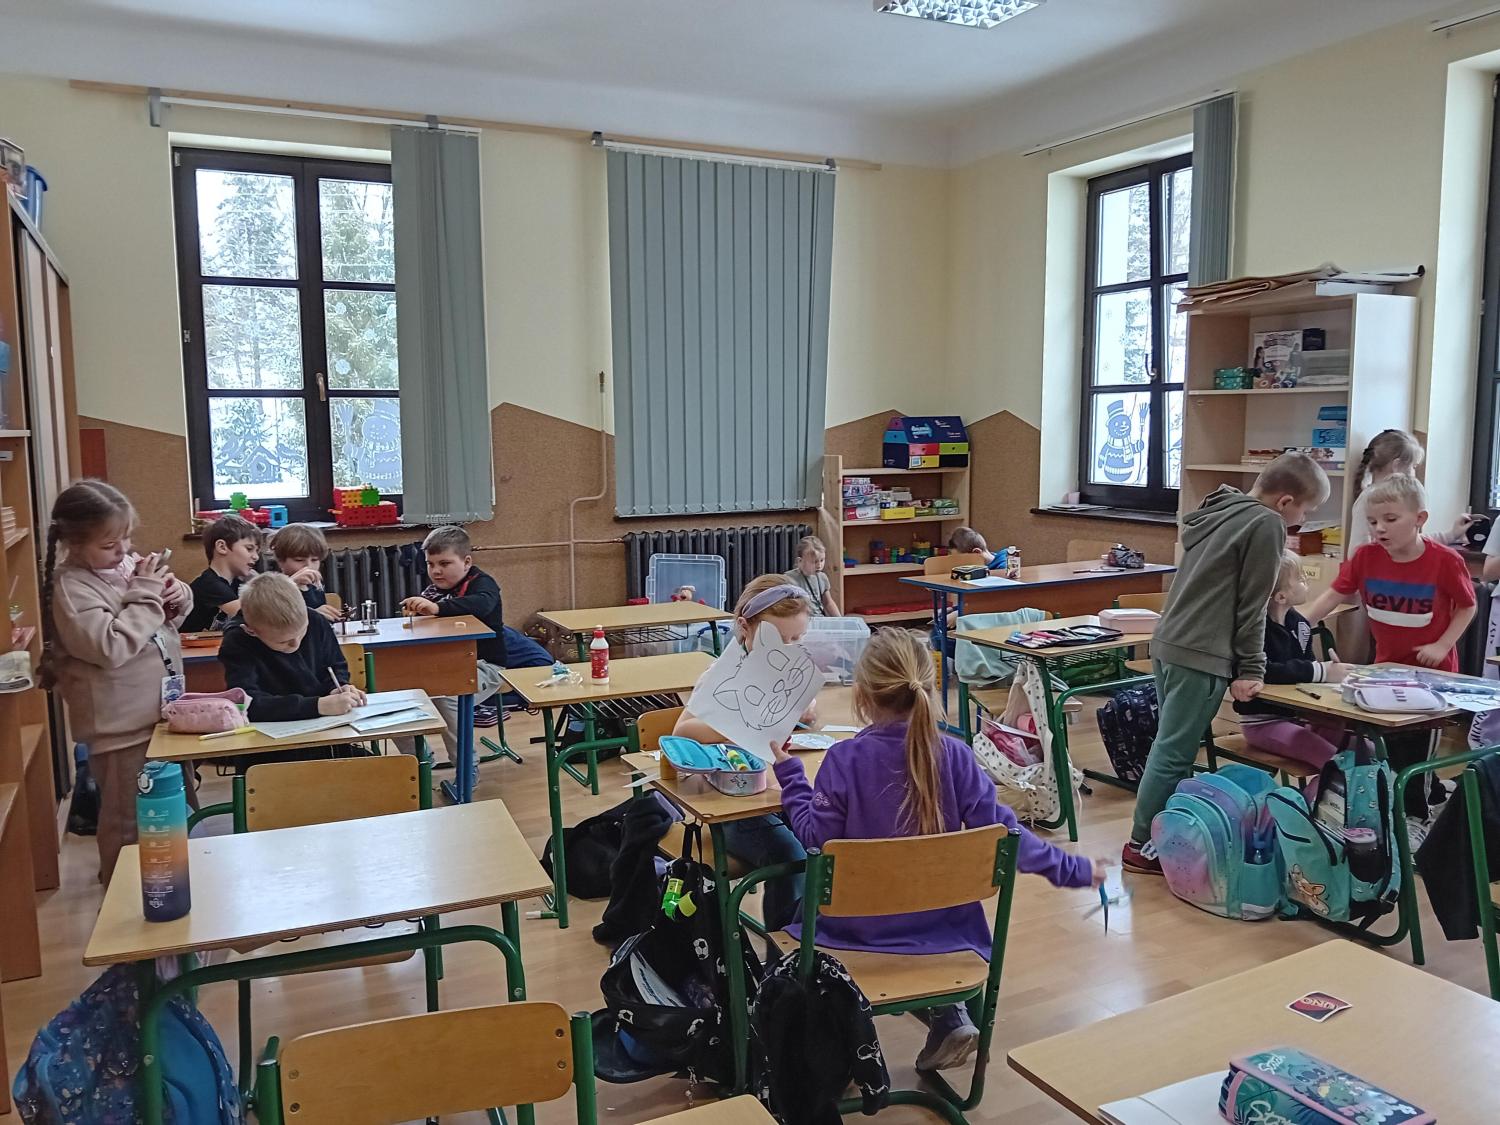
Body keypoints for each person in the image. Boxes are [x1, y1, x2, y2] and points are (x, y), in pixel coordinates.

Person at [773, 628, 1104, 1072]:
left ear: (862, 696)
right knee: (915, 898)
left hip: (853, 933)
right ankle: (949, 1014)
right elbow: (1009, 839)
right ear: (928, 689)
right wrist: (1073, 869)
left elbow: (815, 840)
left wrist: (792, 779)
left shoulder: (843, 760)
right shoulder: (957, 756)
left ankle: (838, 1038)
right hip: (944, 931)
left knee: (785, 907)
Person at [1122, 451, 1330, 875]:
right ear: (1285, 501)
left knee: (1171, 747)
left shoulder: (1221, 508)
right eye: (1305, 511)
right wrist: (1252, 668)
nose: (1302, 521)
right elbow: (1252, 604)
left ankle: (1165, 835)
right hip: (1201, 651)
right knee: (1174, 753)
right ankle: (1143, 844)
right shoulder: (1266, 523)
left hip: (1170, 642)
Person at [41, 480, 192, 882]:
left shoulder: (121, 567)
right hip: (120, 729)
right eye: (109, 544)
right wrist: (147, 593)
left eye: (126, 538)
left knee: (168, 814)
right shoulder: (72, 587)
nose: (123, 550)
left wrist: (177, 595)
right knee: (130, 823)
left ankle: (165, 887)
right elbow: (111, 646)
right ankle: (120, 898)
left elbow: (158, 618)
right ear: (74, 543)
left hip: (160, 715)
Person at [1304, 475, 1477, 825]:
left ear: (1419, 519)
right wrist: (1299, 622)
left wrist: (1442, 644)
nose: (1379, 528)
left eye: (1390, 519)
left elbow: (1467, 606)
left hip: (1433, 677)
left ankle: (1417, 819)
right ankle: (1426, 797)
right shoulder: (1365, 557)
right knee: (1386, 747)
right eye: (1372, 521)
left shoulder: (1445, 561)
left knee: (1416, 751)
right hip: (1385, 670)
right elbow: (1335, 594)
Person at [674, 574, 818, 929]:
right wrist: (746, 727)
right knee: (791, 857)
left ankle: (811, 935)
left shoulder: (785, 673)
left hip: (776, 793)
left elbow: (808, 714)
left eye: (797, 639)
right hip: (733, 805)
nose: (789, 648)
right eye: (780, 639)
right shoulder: (721, 676)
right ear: (745, 628)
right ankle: (785, 949)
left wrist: (804, 712)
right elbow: (682, 732)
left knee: (824, 841)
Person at [396, 526, 508, 782]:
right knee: (394, 692)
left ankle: (467, 769)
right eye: (430, 564)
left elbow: (481, 604)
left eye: (445, 563)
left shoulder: (483, 584)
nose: (436, 571)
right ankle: (420, 759)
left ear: (467, 562)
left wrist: (437, 608)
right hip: (444, 666)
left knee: (448, 696)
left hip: (486, 667)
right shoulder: (434, 591)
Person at [1234, 551, 1351, 768]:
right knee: (1334, 763)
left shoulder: (1300, 625)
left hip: (1301, 717)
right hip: (1264, 723)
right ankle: (1318, 791)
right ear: (1281, 597)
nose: (1306, 582)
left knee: (1364, 751)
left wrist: (1330, 674)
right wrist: (1321, 671)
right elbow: (1266, 671)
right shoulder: (1256, 630)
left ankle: (1332, 790)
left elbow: (1307, 667)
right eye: (1300, 578)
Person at [218, 572, 364, 722]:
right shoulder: (237, 640)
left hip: (326, 721)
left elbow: (335, 665)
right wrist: (316, 706)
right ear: (251, 631)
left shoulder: (315, 619)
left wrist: (338, 686)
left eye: (302, 632)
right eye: (283, 641)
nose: (296, 644)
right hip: (274, 730)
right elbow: (247, 703)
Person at [181, 513, 261, 632]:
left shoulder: (235, 583)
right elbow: (256, 620)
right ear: (222, 547)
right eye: (249, 549)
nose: (256, 557)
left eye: (257, 551)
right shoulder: (209, 584)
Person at [271, 523, 340, 622]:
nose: (308, 566)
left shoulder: (316, 587)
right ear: (280, 561)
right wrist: (291, 585)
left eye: (314, 560)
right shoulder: (274, 590)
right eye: (299, 560)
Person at [783, 535, 840, 617]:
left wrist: (840, 620)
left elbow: (828, 603)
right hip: (800, 620)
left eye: (822, 560)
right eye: (814, 562)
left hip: (819, 619)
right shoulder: (789, 578)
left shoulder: (822, 577)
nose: (819, 565)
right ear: (800, 561)